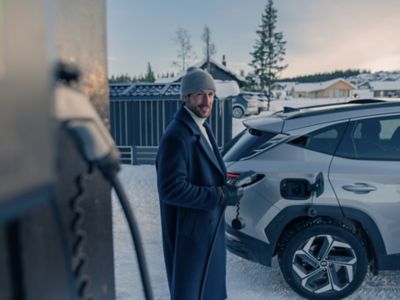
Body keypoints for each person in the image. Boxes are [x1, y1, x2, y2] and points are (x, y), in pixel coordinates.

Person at [156, 67, 243, 300]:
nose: (206, 101)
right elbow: (170, 189)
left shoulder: (201, 126)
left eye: (211, 94)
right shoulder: (177, 136)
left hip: (205, 232)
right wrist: (219, 196)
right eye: (199, 94)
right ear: (185, 97)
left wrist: (228, 187)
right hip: (191, 237)